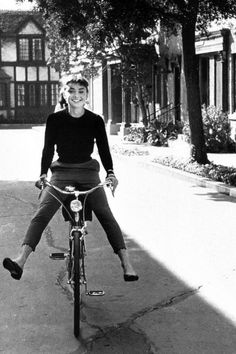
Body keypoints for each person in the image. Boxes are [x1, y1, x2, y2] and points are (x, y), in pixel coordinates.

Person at [3, 75, 138, 282]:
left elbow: (103, 150)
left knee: (105, 213)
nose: (76, 95)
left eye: (81, 91)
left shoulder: (95, 120)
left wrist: (110, 173)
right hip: (61, 172)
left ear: (86, 96)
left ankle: (126, 263)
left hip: (89, 173)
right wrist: (42, 174)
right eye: (72, 90)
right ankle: (20, 260)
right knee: (42, 213)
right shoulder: (55, 119)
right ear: (64, 94)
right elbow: (48, 149)